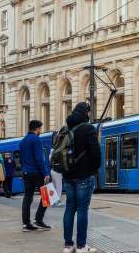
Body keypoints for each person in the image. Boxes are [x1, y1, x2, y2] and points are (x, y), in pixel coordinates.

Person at [62, 103, 101, 253]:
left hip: (68, 175)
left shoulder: (65, 129)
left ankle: (67, 245)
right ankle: (81, 246)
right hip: (84, 175)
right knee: (82, 210)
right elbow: (95, 152)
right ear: (86, 112)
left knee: (69, 209)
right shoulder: (88, 129)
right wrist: (95, 168)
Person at [20, 120, 51, 232]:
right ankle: (38, 220)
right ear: (37, 129)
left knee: (27, 198)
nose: (40, 131)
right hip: (36, 172)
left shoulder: (23, 141)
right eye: (40, 129)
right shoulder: (36, 140)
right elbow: (39, 159)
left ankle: (26, 224)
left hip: (26, 172)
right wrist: (46, 173)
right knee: (47, 196)